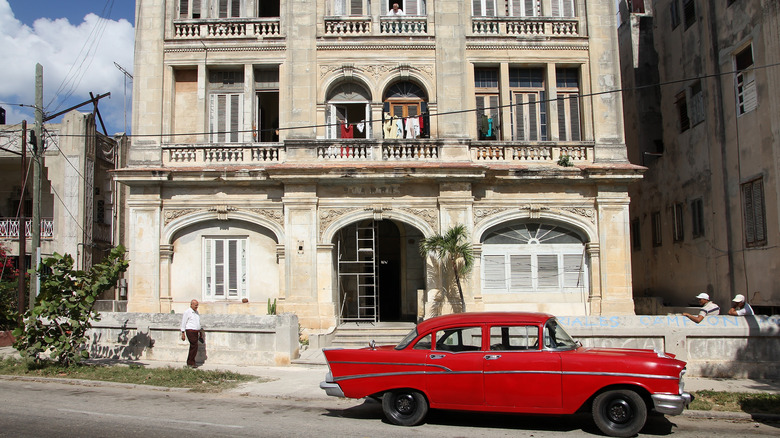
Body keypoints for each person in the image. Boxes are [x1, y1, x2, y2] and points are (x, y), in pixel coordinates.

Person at [180, 299, 203, 367]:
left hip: (196, 331)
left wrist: (200, 331)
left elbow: (197, 322)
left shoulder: (196, 312)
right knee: (194, 345)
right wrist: (183, 333)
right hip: (190, 330)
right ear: (191, 305)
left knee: (194, 346)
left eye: (197, 305)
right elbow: (184, 322)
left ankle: (191, 361)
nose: (196, 307)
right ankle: (190, 362)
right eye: (195, 305)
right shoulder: (187, 312)